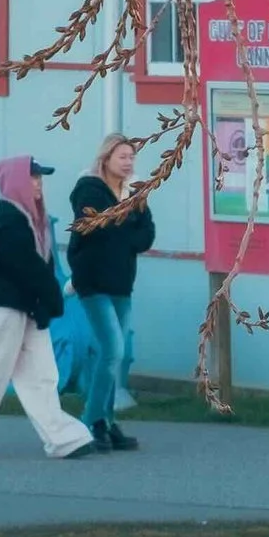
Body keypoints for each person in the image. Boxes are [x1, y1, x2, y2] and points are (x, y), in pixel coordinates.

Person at [0, 156, 99, 460]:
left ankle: (64, 438)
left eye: (40, 178)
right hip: (8, 309)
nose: (39, 183)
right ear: (15, 183)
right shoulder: (8, 219)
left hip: (28, 308)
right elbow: (25, 266)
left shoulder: (32, 220)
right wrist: (50, 296)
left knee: (40, 373)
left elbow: (37, 267)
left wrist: (43, 302)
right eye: (33, 178)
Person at [67, 133, 156, 451]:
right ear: (106, 159)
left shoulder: (135, 194)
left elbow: (146, 234)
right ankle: (91, 421)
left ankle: (106, 422)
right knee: (113, 349)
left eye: (131, 156)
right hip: (92, 282)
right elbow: (99, 228)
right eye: (122, 156)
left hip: (121, 283)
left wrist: (128, 231)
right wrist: (125, 228)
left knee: (111, 355)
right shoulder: (89, 190)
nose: (129, 162)